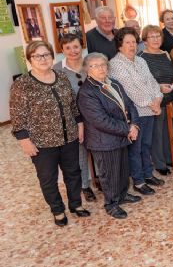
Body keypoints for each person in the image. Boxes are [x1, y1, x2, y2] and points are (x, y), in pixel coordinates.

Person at [10, 41, 90, 226]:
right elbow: (17, 116)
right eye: (37, 56)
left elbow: (72, 105)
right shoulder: (22, 84)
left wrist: (79, 125)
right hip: (42, 143)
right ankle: (58, 211)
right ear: (30, 60)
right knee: (48, 178)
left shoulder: (61, 77)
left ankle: (76, 205)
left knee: (73, 172)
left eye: (46, 54)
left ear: (52, 56)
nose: (43, 59)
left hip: (69, 136)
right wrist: (24, 140)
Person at [77, 53, 142, 219]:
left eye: (103, 64)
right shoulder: (87, 92)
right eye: (95, 66)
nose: (101, 68)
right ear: (87, 70)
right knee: (109, 173)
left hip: (120, 135)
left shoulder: (114, 83)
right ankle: (111, 203)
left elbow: (130, 105)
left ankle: (122, 194)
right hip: (103, 140)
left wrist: (134, 124)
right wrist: (127, 128)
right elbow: (101, 121)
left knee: (122, 169)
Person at [109, 28, 165, 196]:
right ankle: (139, 182)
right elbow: (129, 90)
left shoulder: (141, 61)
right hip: (134, 113)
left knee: (146, 145)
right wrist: (151, 104)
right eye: (127, 42)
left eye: (134, 42)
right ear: (120, 45)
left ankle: (148, 174)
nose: (132, 45)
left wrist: (158, 98)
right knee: (136, 148)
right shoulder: (115, 64)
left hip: (150, 109)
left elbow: (152, 81)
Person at [53, 34, 95, 202]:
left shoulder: (91, 64)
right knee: (80, 154)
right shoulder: (57, 69)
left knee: (100, 150)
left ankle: (101, 180)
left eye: (76, 46)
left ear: (81, 47)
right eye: (68, 48)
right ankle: (85, 186)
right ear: (62, 50)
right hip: (74, 120)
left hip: (94, 116)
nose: (72, 51)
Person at [139, 25, 173, 176]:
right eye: (152, 37)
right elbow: (142, 83)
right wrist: (158, 87)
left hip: (170, 99)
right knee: (157, 134)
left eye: (158, 36)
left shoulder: (165, 54)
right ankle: (159, 163)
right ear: (145, 40)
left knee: (169, 132)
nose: (156, 39)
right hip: (155, 102)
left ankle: (169, 158)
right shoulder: (141, 58)